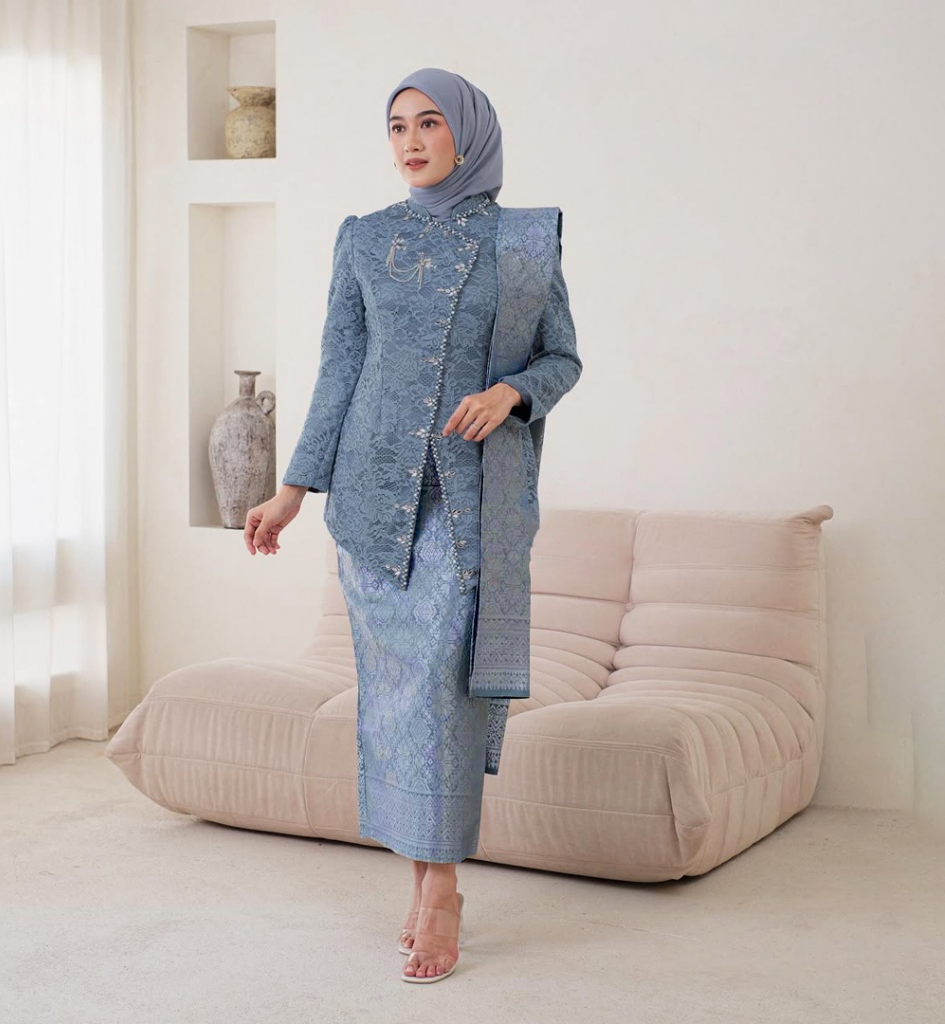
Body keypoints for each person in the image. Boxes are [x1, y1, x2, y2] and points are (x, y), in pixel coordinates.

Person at [243, 67, 582, 983]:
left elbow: (562, 357)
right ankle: (428, 878)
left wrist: (511, 394)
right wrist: (292, 491)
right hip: (371, 503)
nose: (411, 142)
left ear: (468, 134)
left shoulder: (523, 241)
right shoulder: (363, 238)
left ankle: (440, 891)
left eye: (430, 123)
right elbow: (338, 369)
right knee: (396, 698)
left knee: (441, 687)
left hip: (469, 506)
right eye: (397, 127)